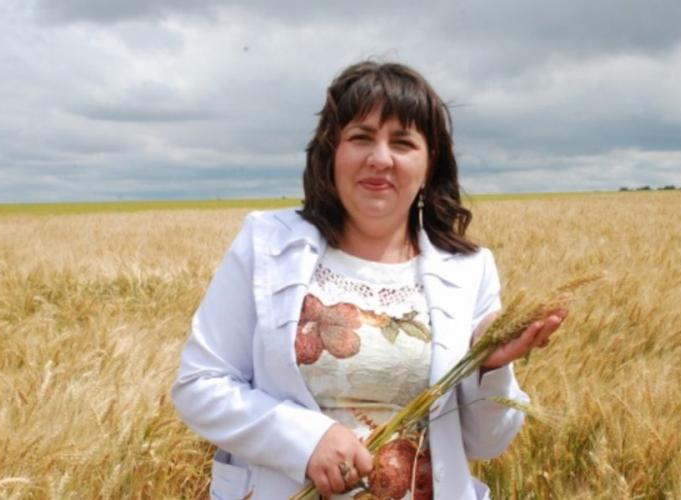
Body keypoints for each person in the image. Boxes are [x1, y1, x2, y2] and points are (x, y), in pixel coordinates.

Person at [171, 61, 566, 499]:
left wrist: (489, 366)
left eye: (402, 142)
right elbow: (199, 385)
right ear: (331, 151)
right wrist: (305, 440)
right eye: (361, 138)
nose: (380, 159)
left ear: (430, 162)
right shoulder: (265, 243)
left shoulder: (470, 269)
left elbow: (486, 443)